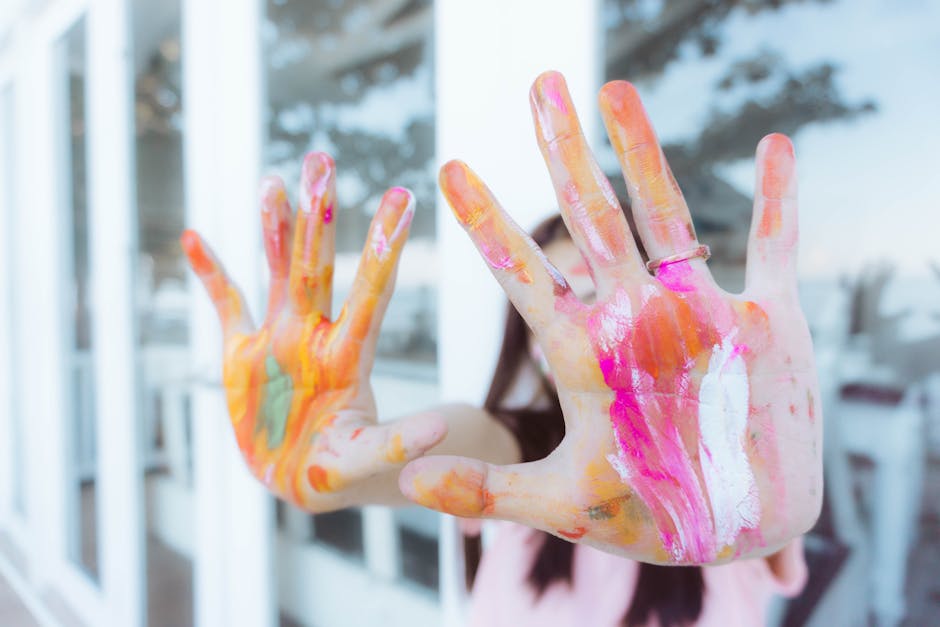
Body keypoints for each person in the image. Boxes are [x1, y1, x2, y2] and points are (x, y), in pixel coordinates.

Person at [181, 70, 820, 624]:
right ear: (531, 338)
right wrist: (333, 465)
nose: (599, 331)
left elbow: (756, 514)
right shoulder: (519, 455)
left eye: (612, 297)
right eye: (568, 303)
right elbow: (453, 448)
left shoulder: (732, 478)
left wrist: (731, 482)